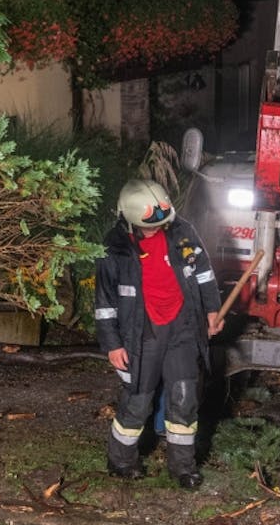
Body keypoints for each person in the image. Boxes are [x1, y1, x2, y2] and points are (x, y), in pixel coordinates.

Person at [94, 179, 223, 489]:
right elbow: (104, 304)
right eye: (148, 226)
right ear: (129, 218)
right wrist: (112, 344)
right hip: (142, 334)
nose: (156, 230)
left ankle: (183, 467)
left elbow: (203, 272)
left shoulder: (182, 232)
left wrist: (212, 310)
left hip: (183, 328)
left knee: (184, 397)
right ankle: (121, 460)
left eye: (161, 223)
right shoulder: (114, 249)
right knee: (138, 400)